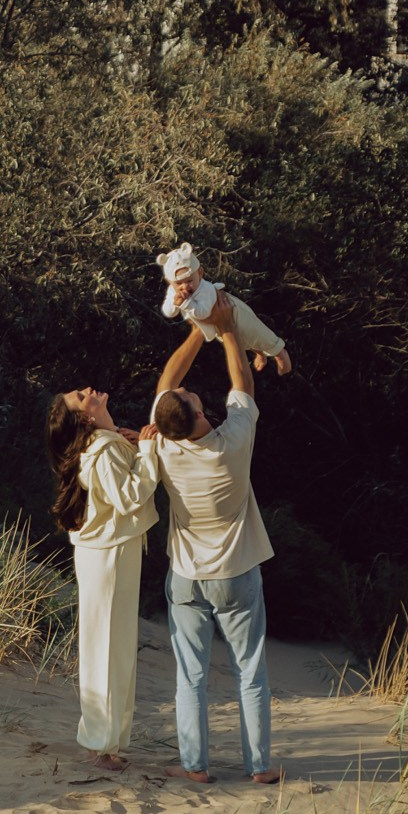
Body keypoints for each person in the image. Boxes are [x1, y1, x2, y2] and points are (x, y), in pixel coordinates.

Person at [143, 324, 277, 785]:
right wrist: (227, 331)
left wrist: (199, 332)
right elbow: (243, 384)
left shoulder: (162, 443)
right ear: (199, 412)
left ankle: (194, 765)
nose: (187, 390)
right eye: (190, 395)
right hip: (237, 574)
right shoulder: (232, 443)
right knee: (250, 672)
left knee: (191, 674)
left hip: (185, 576)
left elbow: (167, 383)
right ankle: (259, 767)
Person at [46, 386, 157, 772]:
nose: (87, 391)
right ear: (86, 418)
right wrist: (146, 452)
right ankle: (100, 744)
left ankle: (108, 742)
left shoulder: (107, 444)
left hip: (112, 552)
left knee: (115, 645)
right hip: (107, 555)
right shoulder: (103, 449)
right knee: (106, 645)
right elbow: (130, 497)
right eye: (81, 396)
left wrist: (132, 443)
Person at [157, 244, 293, 376]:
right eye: (179, 283)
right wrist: (175, 303)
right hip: (216, 324)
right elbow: (168, 312)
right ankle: (260, 353)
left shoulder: (205, 289)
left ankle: (280, 352)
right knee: (241, 341)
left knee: (255, 332)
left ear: (200, 273)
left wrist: (186, 303)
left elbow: (202, 312)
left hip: (233, 312)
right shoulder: (173, 291)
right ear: (169, 282)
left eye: (189, 281)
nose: (185, 287)